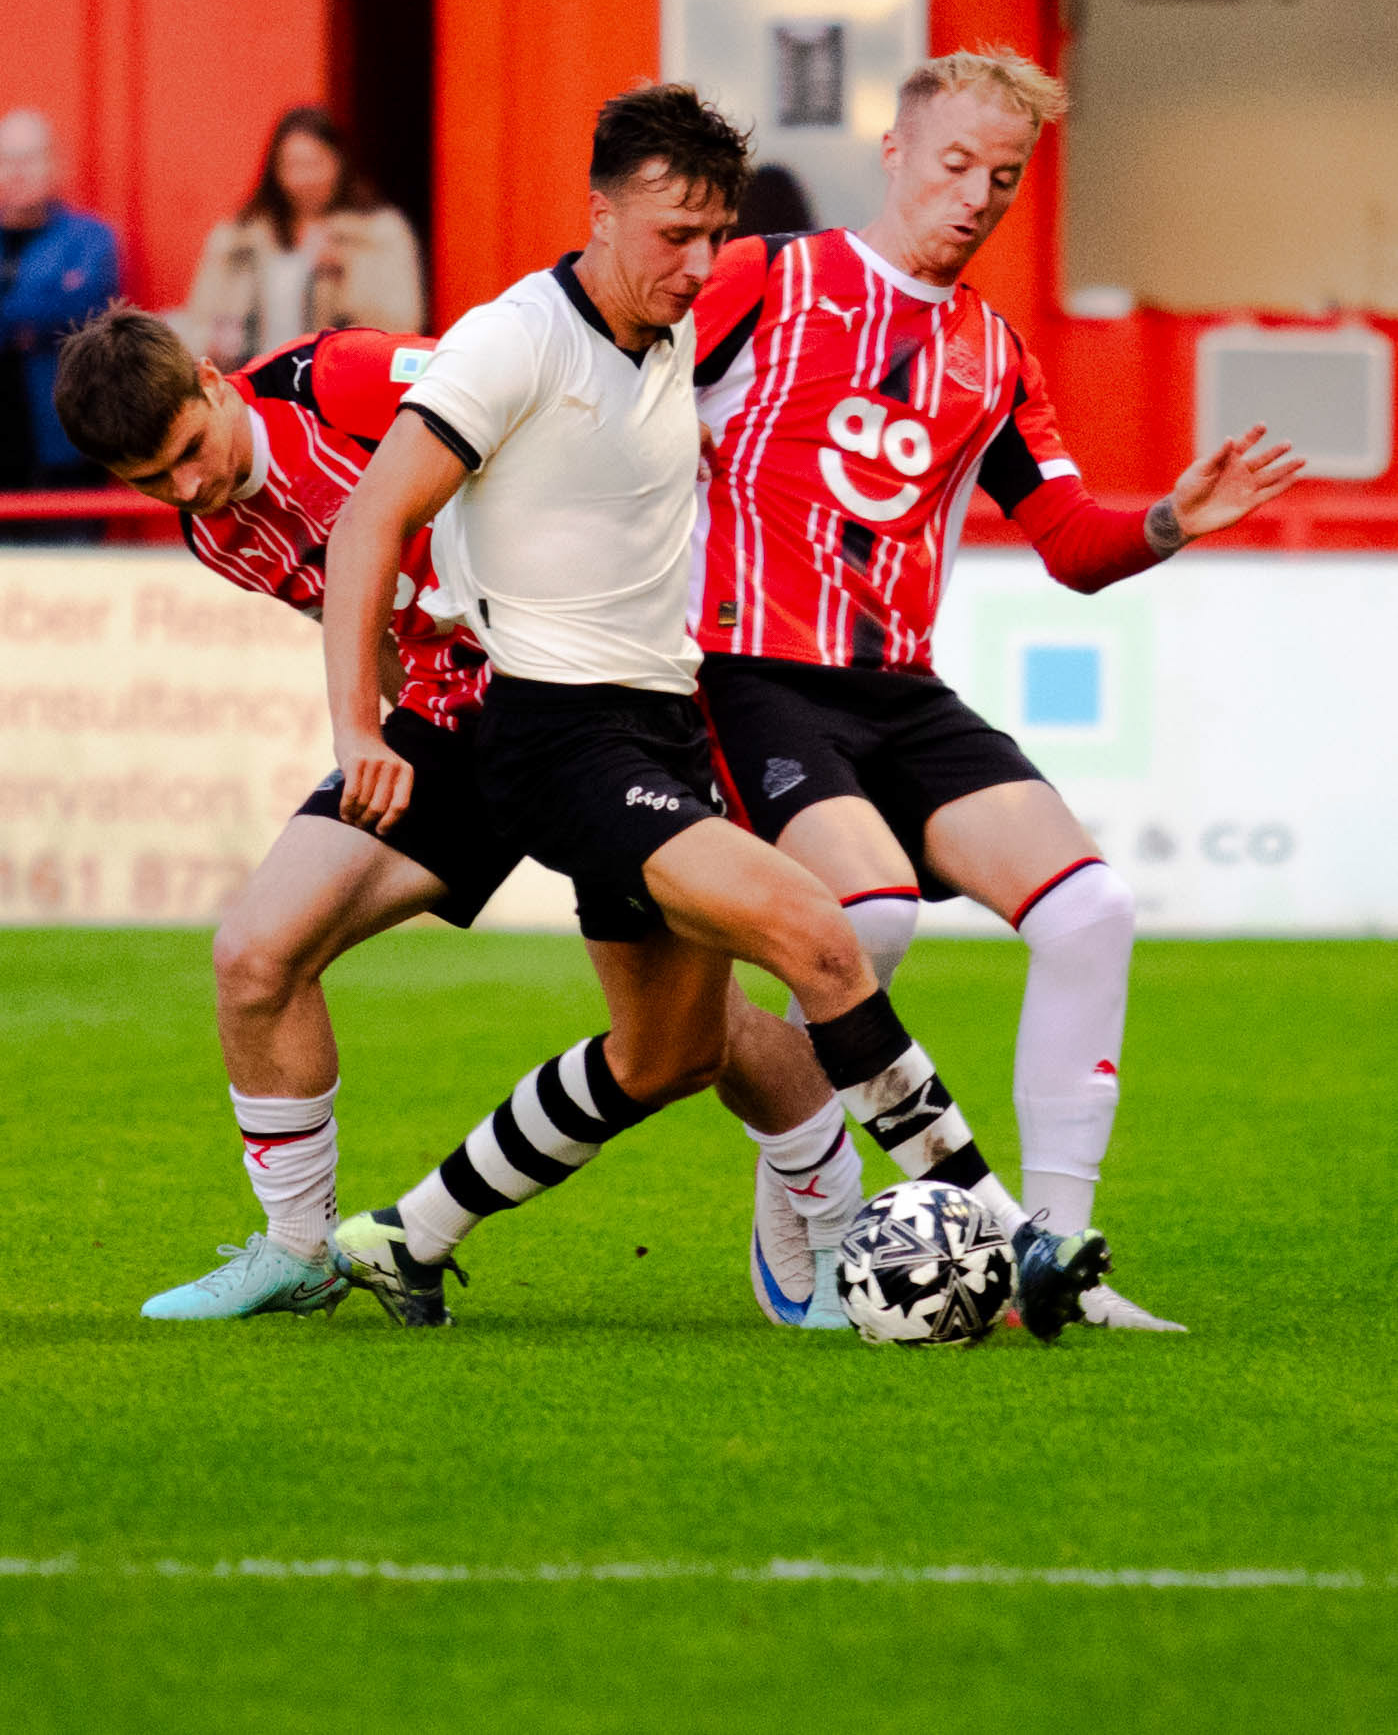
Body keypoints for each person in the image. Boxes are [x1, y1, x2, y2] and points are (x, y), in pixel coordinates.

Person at [322, 81, 1112, 1337]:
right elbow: (372, 514)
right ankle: (1008, 1237)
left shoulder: (683, 334)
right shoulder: (515, 339)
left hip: (662, 726)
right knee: (821, 933)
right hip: (559, 734)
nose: (698, 267)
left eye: (713, 238)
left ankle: (404, 1236)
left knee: (664, 1057)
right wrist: (358, 727)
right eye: (670, 236)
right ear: (598, 212)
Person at [687, 46, 1305, 1332]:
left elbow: (1071, 543)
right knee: (872, 919)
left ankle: (1057, 1264)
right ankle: (802, 1185)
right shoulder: (760, 281)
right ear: (895, 155)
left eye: (1003, 178)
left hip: (899, 689)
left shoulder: (990, 351)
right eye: (956, 163)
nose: (975, 195)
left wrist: (1169, 522)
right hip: (754, 678)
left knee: (1088, 911)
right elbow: (601, 393)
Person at [53, 306, 520, 1319]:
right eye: (152, 481)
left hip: (586, 689)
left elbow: (524, 393)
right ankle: (298, 1249)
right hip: (450, 725)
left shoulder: (339, 379)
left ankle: (827, 1228)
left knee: (691, 1026)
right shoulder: (210, 532)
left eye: (189, 450)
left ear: (214, 381)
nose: (188, 486)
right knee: (254, 957)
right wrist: (393, 732)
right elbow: (371, 628)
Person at [184, 106, 423, 367]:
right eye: (292, 165)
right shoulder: (238, 238)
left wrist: (343, 274)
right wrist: (214, 344)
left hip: (333, 388)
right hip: (250, 384)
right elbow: (200, 320)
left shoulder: (377, 234)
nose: (303, 179)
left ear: (340, 162)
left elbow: (400, 328)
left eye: (314, 164)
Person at [0, 109, 118, 497]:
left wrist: (3, 314)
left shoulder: (91, 238)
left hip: (67, 444)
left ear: (54, 165)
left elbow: (83, 310)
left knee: (69, 556)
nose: (19, 171)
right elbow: (55, 311)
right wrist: (40, 313)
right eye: (7, 160)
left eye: (30, 158)